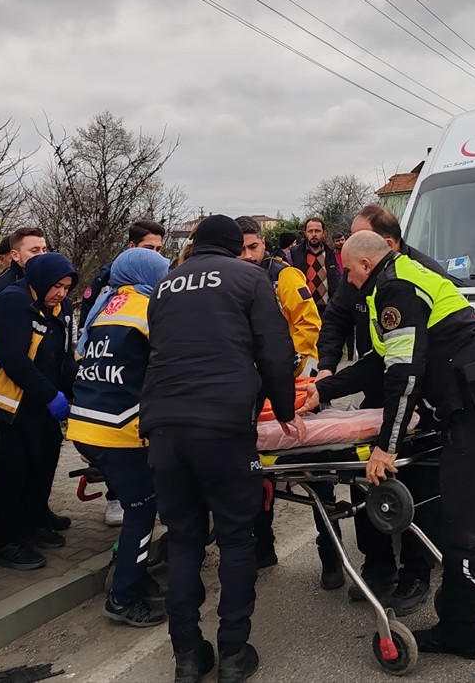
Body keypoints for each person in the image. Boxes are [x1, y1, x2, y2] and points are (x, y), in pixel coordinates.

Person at [304, 232, 475, 683]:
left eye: (348, 272)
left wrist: (386, 446)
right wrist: (320, 390)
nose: (346, 281)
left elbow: (403, 375)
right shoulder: (398, 280)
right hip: (473, 413)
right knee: (457, 532)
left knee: (472, 536)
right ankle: (461, 632)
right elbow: (377, 363)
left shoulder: (395, 289)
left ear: (363, 266)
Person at [142, 215, 297, 683]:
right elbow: (273, 349)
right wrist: (286, 408)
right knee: (234, 538)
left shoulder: (165, 286)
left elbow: (160, 349)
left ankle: (188, 655)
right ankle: (233, 651)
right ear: (234, 248)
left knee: (185, 537)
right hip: (224, 426)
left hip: (165, 426)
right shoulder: (249, 278)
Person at [313, 204, 447, 614]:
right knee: (363, 478)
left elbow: (407, 368)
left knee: (416, 484)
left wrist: (389, 441)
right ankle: (377, 566)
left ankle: (415, 573)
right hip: (379, 383)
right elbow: (337, 322)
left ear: (382, 247)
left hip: (417, 393)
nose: (349, 273)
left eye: (354, 261)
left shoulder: (410, 279)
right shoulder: (363, 277)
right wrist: (325, 375)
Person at [235, 216, 342, 588]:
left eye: (253, 246)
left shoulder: (284, 275)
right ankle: (262, 548)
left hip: (296, 385)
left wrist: (289, 369)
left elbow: (309, 325)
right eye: (241, 248)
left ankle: (332, 558)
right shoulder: (232, 279)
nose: (247, 255)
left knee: (319, 472)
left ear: (264, 244)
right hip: (253, 390)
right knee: (257, 474)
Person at [68, 247, 171, 628]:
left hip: (87, 425)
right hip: (119, 429)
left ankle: (136, 574)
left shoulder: (108, 307)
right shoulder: (146, 310)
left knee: (136, 505)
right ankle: (123, 598)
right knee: (143, 508)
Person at [0, 252, 78, 571]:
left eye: (66, 286)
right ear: (40, 280)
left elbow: (62, 356)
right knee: (12, 470)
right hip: (6, 400)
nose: (60, 292)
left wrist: (73, 391)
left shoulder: (60, 310)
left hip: (38, 398)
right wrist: (51, 395)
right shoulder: (13, 302)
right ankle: (7, 540)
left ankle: (33, 520)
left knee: (44, 459)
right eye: (56, 285)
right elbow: (12, 357)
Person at [76, 219, 167, 528]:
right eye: (148, 249)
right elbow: (88, 327)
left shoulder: (149, 292)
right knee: (128, 466)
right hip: (116, 406)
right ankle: (119, 500)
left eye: (159, 249)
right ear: (132, 248)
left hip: (104, 405)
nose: (156, 256)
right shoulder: (111, 283)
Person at [0, 226, 48, 321]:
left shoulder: (42, 279)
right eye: (34, 251)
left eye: (44, 250)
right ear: (15, 255)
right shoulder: (3, 288)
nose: (42, 255)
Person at [288, 216, 342, 315]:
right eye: (310, 231)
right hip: (303, 310)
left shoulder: (330, 255)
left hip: (327, 311)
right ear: (305, 233)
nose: (313, 234)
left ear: (324, 233)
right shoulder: (293, 254)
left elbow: (339, 280)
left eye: (317, 231)